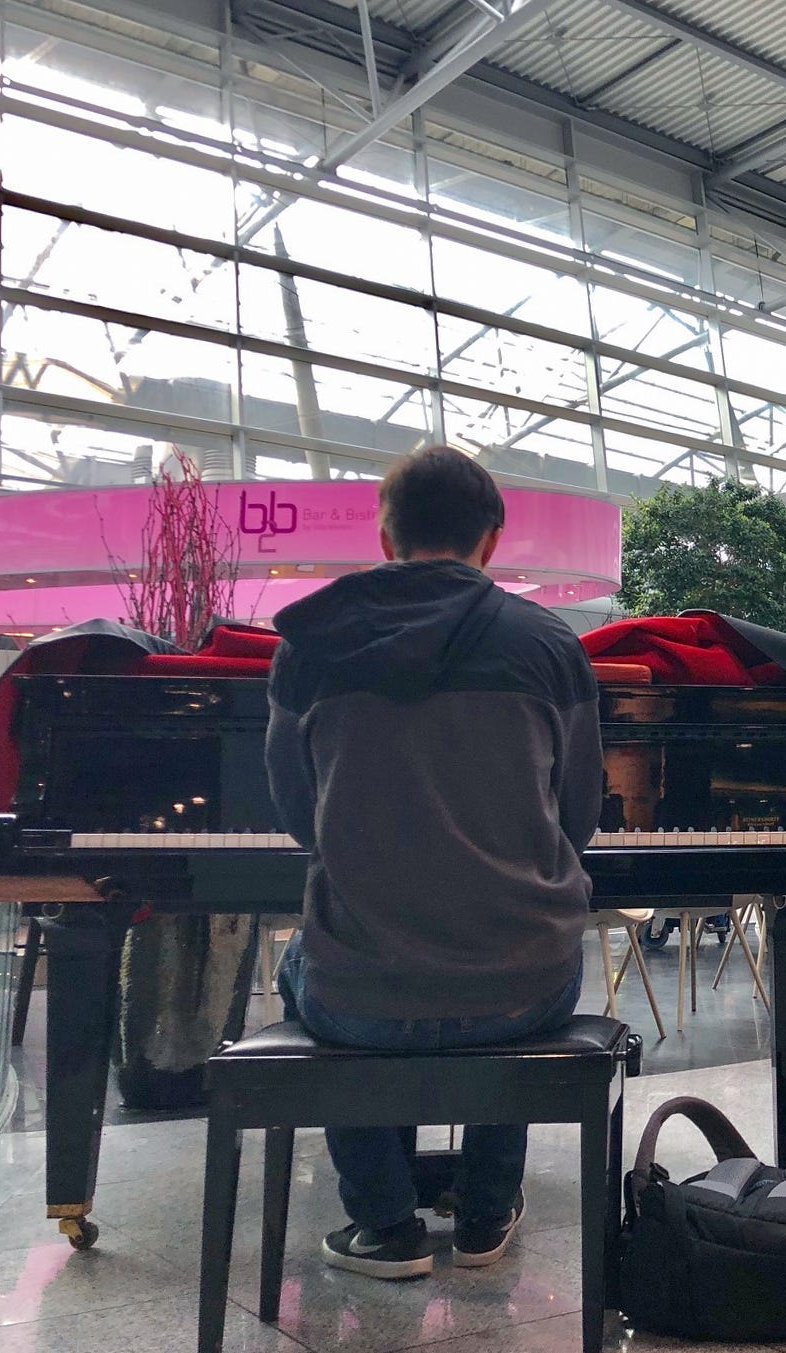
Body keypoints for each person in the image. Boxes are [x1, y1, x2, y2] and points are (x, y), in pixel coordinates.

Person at [267, 446, 600, 1278]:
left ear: (385, 536)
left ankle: (384, 1221)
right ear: (492, 539)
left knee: (302, 967)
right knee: (525, 945)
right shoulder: (551, 644)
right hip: (524, 992)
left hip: (361, 999)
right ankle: (486, 1212)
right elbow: (581, 817)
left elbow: (293, 815)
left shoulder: (307, 642)